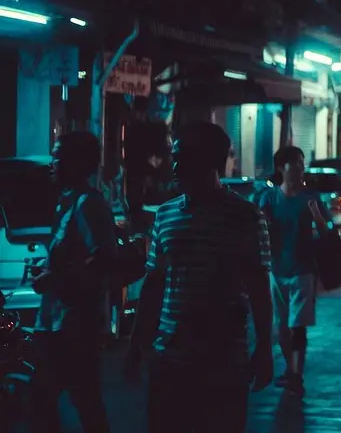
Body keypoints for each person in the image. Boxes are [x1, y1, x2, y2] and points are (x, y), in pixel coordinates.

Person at [126, 123, 273, 432]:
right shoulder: (166, 215)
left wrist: (263, 348)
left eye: (182, 158)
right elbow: (154, 285)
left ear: (207, 161)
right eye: (174, 157)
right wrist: (137, 344)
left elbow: (259, 289)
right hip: (169, 358)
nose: (175, 166)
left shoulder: (245, 217)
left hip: (224, 362)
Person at [30, 132, 116, 433]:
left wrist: (56, 276)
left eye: (58, 157)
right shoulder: (67, 203)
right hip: (57, 323)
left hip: (73, 328)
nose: (52, 163)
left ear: (76, 163)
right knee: (72, 402)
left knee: (54, 400)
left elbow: (105, 256)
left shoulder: (87, 204)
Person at [259, 146, 334, 396]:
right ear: (282, 168)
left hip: (303, 269)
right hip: (277, 268)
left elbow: (327, 233)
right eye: (296, 164)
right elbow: (259, 228)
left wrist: (315, 214)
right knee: (281, 325)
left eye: (302, 164)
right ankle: (289, 371)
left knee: (298, 324)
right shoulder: (269, 198)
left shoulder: (311, 198)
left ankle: (296, 373)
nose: (301, 168)